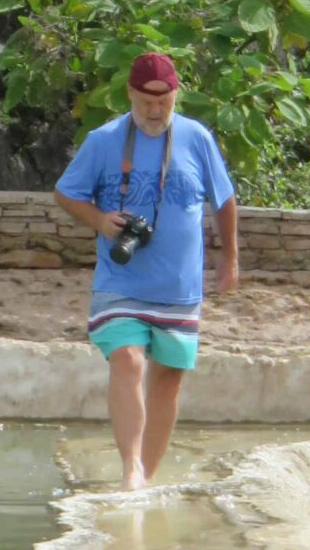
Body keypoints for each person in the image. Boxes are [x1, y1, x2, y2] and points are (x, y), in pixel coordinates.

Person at [53, 52, 239, 491]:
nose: (155, 112)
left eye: (164, 102)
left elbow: (224, 200)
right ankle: (129, 470)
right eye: (146, 102)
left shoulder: (197, 138)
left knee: (169, 379)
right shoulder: (103, 140)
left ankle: (147, 477)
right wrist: (100, 221)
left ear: (176, 95)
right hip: (122, 282)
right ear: (130, 94)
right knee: (127, 359)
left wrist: (229, 256)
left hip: (178, 287)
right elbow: (65, 193)